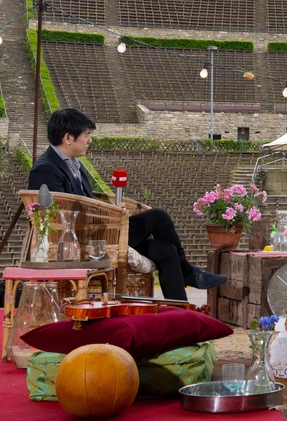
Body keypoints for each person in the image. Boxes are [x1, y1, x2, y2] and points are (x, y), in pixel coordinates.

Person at [27, 108, 226, 301]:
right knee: (159, 216)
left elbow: (82, 202)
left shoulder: (74, 164)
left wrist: (110, 212)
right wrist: (109, 213)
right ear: (68, 138)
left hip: (98, 230)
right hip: (80, 239)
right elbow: (59, 214)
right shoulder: (45, 169)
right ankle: (189, 273)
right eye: (86, 135)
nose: (90, 140)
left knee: (165, 250)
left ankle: (180, 310)